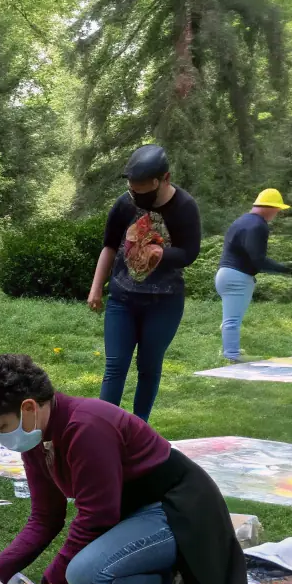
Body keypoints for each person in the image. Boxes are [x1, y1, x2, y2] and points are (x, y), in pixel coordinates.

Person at [0, 355, 254, 584]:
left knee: (86, 577)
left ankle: (175, 580)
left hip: (179, 509)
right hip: (134, 513)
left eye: (4, 428)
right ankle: (162, 570)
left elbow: (97, 515)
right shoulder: (35, 437)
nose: (3, 438)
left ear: (30, 407)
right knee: (80, 573)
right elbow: (45, 517)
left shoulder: (86, 427)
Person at [87, 144, 202, 422]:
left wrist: (162, 253)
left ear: (164, 178)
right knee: (115, 366)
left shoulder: (185, 207)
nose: (137, 197)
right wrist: (96, 288)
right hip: (123, 299)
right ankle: (105, 429)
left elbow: (190, 252)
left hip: (164, 302)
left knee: (149, 367)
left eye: (144, 191)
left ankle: (139, 430)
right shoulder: (125, 203)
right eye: (132, 189)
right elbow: (110, 247)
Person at [214, 189, 292, 362]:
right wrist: (283, 269)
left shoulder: (242, 220)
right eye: (277, 209)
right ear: (268, 207)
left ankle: (230, 348)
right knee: (232, 319)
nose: (277, 212)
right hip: (237, 277)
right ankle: (232, 354)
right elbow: (257, 258)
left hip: (225, 274)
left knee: (231, 317)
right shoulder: (258, 225)